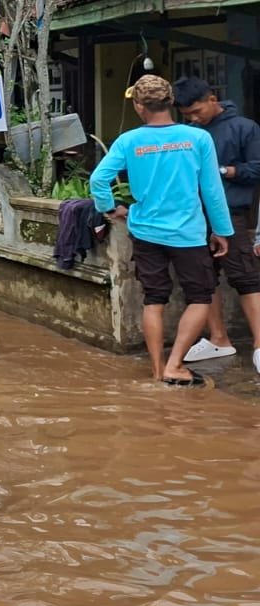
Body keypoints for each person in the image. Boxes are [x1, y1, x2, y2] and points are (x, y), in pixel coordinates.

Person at [91, 74, 233, 385]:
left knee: (154, 299)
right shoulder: (197, 138)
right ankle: (175, 364)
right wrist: (222, 230)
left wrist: (110, 207)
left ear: (140, 107)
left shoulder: (129, 141)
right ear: (171, 103)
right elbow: (211, 189)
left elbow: (98, 181)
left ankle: (157, 371)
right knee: (200, 297)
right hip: (189, 234)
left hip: (145, 232)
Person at [174, 76, 260, 373]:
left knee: (246, 278)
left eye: (197, 111)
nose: (194, 118)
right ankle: (218, 338)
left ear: (213, 99)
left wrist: (223, 170)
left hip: (232, 213)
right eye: (188, 116)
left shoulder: (244, 128)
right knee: (203, 279)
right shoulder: (190, 133)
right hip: (196, 216)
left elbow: (257, 168)